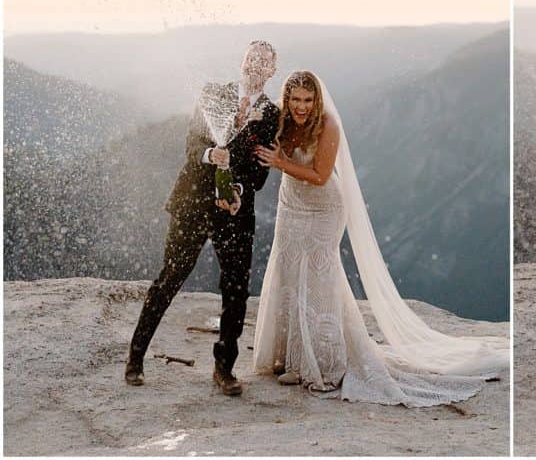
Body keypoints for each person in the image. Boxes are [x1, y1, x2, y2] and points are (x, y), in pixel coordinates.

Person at [252, 71, 508, 406]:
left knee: (318, 281)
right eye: (295, 100)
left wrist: (280, 162)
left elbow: (320, 175)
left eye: (308, 100)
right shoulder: (280, 118)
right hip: (291, 206)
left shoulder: (328, 126)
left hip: (322, 207)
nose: (301, 107)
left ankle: (325, 364)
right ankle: (295, 359)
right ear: (286, 100)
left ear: (317, 100)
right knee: (288, 273)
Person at [125, 41, 281, 395]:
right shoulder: (213, 94)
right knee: (171, 276)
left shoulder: (271, 114)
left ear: (272, 71)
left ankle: (224, 370)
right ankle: (135, 358)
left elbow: (259, 173)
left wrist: (237, 191)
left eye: (264, 62)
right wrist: (214, 154)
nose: (256, 65)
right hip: (192, 204)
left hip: (235, 214)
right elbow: (192, 146)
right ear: (241, 62)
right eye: (251, 58)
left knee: (236, 288)